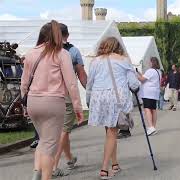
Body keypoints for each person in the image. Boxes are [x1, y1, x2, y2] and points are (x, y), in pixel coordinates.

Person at [21, 20, 84, 180]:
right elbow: (71, 83)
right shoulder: (62, 54)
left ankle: (37, 172)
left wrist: (24, 105)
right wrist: (77, 106)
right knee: (50, 145)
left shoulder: (31, 53)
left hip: (33, 102)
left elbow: (24, 83)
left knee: (44, 140)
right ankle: (45, 177)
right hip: (53, 102)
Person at [86, 37, 140, 179]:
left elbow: (89, 83)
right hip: (116, 98)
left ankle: (115, 164)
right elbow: (134, 84)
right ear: (118, 46)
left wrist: (88, 100)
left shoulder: (95, 61)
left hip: (99, 97)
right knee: (112, 132)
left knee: (110, 132)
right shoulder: (123, 60)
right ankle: (104, 168)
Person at [52, 23, 88, 177]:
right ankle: (52, 166)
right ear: (68, 35)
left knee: (61, 131)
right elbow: (81, 74)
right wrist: (90, 90)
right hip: (65, 95)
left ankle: (69, 158)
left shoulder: (45, 50)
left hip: (47, 96)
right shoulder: (73, 51)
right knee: (64, 130)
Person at [137, 57, 161, 136]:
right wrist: (140, 73)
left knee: (147, 109)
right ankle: (153, 127)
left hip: (148, 93)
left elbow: (142, 79)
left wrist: (134, 74)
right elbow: (146, 77)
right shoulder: (158, 71)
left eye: (149, 62)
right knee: (153, 110)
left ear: (152, 62)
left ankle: (150, 127)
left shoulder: (150, 71)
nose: (148, 63)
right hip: (154, 93)